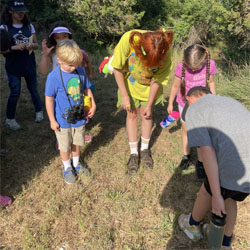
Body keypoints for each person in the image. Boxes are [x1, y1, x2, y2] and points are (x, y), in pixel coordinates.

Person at [178, 86, 250, 249]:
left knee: (208, 192)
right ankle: (225, 243)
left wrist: (216, 195)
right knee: (229, 197)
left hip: (235, 165)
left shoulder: (195, 109)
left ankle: (191, 225)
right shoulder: (229, 101)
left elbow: (207, 151)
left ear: (189, 99)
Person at [111, 29, 173, 174]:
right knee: (132, 115)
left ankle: (144, 149)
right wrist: (125, 95)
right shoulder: (129, 39)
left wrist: (150, 104)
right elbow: (117, 67)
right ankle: (134, 153)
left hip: (150, 88)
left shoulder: (165, 51)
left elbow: (157, 79)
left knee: (147, 115)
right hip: (131, 84)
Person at [45, 39, 96, 184]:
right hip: (62, 120)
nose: (74, 68)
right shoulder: (53, 77)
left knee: (77, 141)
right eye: (70, 65)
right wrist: (52, 120)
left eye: (76, 64)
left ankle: (76, 163)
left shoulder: (80, 70)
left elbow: (86, 89)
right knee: (64, 144)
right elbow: (49, 99)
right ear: (59, 60)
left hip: (79, 116)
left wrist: (93, 104)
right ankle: (67, 167)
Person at [39, 21, 94, 143]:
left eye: (64, 36)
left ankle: (79, 132)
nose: (61, 40)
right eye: (57, 38)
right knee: (61, 113)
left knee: (78, 109)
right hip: (59, 88)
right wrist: (45, 55)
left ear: (69, 37)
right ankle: (62, 138)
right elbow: (42, 71)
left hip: (74, 86)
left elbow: (78, 70)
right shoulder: (52, 53)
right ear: (53, 39)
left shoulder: (74, 51)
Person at [167, 44, 217, 178]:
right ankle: (186, 156)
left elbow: (211, 82)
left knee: (201, 132)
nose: (194, 70)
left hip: (202, 104)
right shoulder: (181, 66)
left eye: (197, 68)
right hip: (185, 103)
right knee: (186, 130)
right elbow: (175, 85)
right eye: (191, 68)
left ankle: (200, 163)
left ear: (204, 61)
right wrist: (170, 102)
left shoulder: (209, 64)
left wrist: (214, 99)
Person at [0, 0, 43, 131]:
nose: (21, 14)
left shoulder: (29, 26)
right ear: (10, 11)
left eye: (23, 11)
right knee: (15, 92)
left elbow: (36, 45)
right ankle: (10, 119)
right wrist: (14, 47)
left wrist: (32, 45)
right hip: (13, 66)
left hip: (28, 64)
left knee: (34, 90)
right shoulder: (4, 28)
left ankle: (39, 111)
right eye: (18, 11)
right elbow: (1, 50)